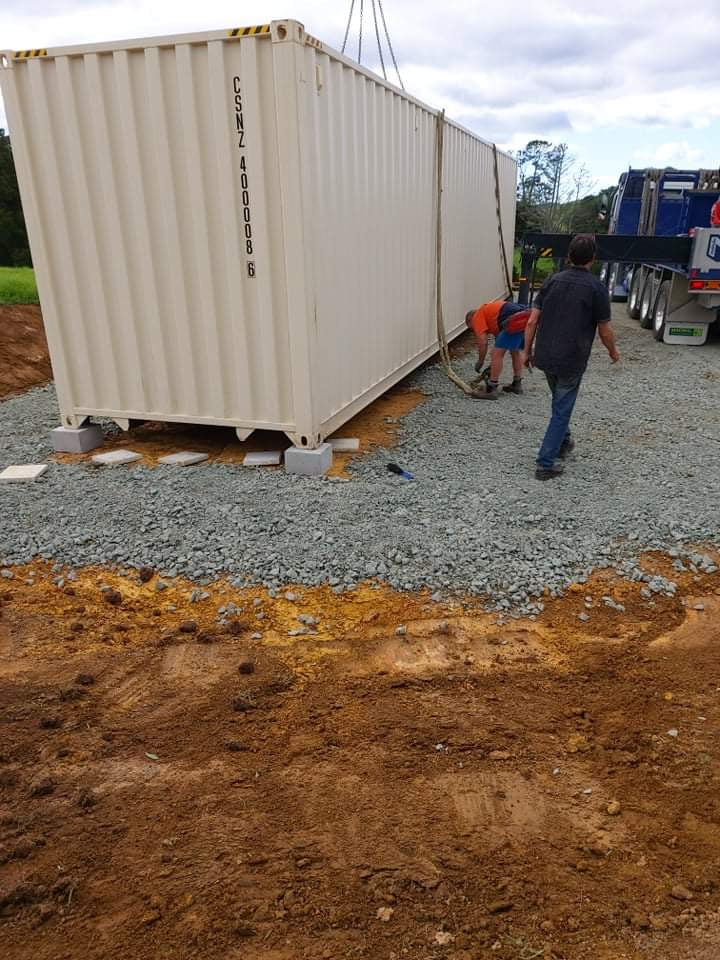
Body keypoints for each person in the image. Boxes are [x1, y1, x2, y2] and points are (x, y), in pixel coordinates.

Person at [522, 234, 620, 480]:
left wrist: (527, 351)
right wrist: (613, 351)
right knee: (562, 408)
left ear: (568, 256)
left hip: (545, 355)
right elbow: (605, 329)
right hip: (572, 358)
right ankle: (545, 463)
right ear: (593, 259)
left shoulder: (552, 281)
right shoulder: (596, 288)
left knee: (559, 401)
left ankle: (563, 443)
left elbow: (532, 320)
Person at [466, 300, 531, 399]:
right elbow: (501, 344)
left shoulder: (476, 316)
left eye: (472, 328)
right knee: (515, 351)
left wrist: (480, 361)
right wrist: (491, 367)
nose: (475, 330)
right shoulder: (491, 317)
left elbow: (483, 342)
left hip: (513, 319)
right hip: (524, 317)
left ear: (470, 320)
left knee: (496, 354)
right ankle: (517, 384)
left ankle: (492, 389)